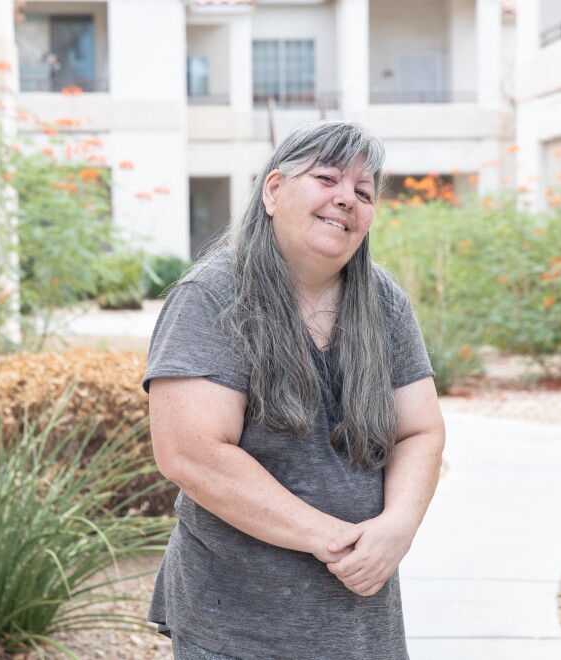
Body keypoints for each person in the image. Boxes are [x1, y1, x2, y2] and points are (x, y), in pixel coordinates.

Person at [143, 120, 445, 660]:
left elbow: (419, 430)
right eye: (327, 178)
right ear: (274, 190)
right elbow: (191, 453)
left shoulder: (384, 301)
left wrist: (396, 528)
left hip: (361, 618)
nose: (346, 199)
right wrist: (338, 541)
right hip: (239, 623)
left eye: (363, 191)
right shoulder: (212, 297)